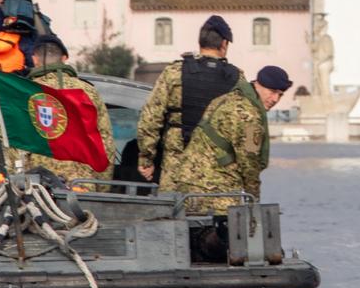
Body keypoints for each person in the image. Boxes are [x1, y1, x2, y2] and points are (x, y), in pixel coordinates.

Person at [135, 15, 240, 190]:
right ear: (224, 44)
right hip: (220, 179)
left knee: (172, 207)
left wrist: (146, 159)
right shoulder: (236, 78)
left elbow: (150, 119)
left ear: (200, 42)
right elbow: (246, 126)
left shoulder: (174, 72)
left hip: (177, 173)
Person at [169, 65, 290, 213]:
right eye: (272, 92)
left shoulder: (225, 99)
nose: (275, 99)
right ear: (258, 84)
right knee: (227, 225)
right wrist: (254, 198)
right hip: (216, 189)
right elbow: (249, 161)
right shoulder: (249, 117)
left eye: (280, 95)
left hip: (187, 181)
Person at [22, 33, 117, 180]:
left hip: (37, 185)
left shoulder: (24, 92)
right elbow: (105, 142)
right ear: (64, 58)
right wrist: (101, 186)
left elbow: (15, 146)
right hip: (80, 183)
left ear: (34, 59)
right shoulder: (87, 91)